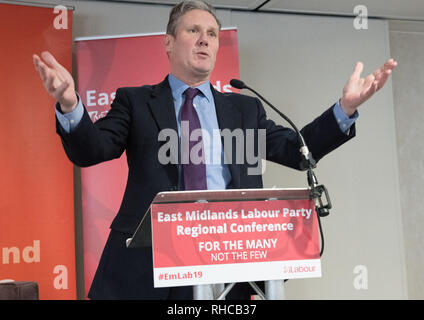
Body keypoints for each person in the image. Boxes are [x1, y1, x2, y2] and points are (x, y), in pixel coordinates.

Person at [33, 0, 397, 299]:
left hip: (229, 262)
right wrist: (69, 104)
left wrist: (344, 110)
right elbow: (92, 150)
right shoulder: (136, 101)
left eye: (212, 34)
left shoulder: (243, 108)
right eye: (194, 31)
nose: (204, 40)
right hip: (149, 264)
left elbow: (297, 151)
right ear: (169, 43)